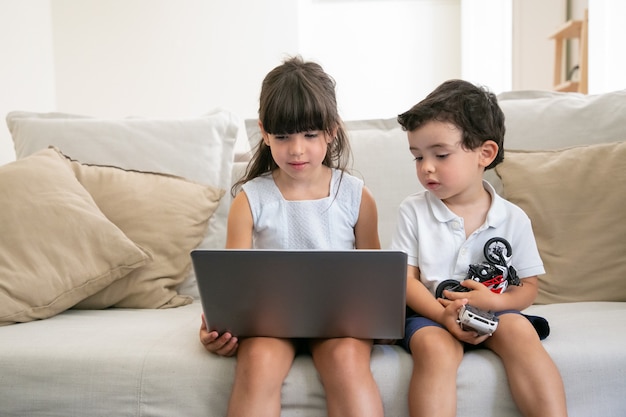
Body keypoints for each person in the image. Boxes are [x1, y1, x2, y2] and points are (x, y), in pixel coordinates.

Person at [199, 56, 384, 417]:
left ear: (332, 131)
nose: (296, 149)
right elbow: (230, 285)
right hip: (270, 323)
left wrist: (380, 323)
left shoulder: (356, 195)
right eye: (282, 136)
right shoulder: (250, 199)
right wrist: (214, 328)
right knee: (258, 365)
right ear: (265, 132)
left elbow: (375, 279)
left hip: (339, 322)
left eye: (310, 135)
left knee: (347, 361)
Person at [391, 79, 568, 417]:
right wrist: (441, 314)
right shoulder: (413, 210)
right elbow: (406, 280)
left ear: (484, 153)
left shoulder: (512, 218)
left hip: (493, 311)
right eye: (417, 157)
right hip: (431, 314)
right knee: (435, 349)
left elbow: (528, 286)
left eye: (440, 155)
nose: (426, 167)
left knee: (519, 331)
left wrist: (498, 302)